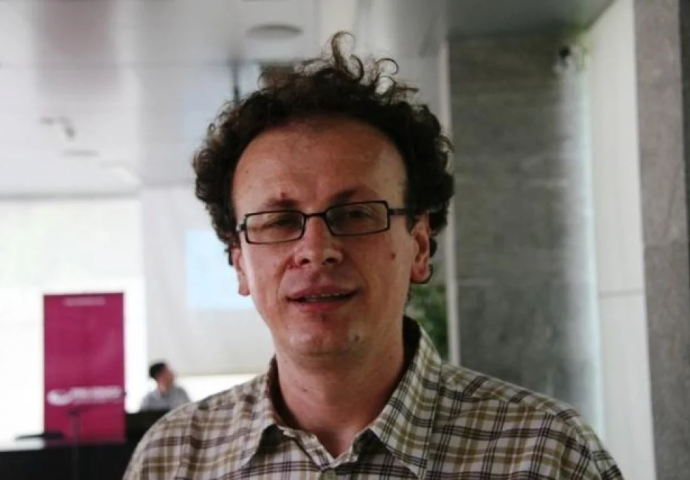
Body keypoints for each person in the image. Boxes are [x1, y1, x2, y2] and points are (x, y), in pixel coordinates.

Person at [125, 33, 622, 479]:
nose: (315, 251)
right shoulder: (173, 459)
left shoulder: (546, 456)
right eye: (278, 221)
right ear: (239, 262)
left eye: (356, 214)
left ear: (419, 245)